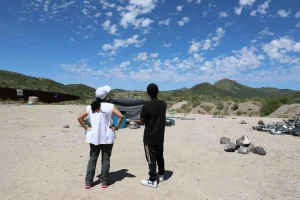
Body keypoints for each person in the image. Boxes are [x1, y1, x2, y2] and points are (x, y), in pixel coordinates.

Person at [77, 85, 124, 189]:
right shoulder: (110, 106)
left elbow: (80, 118)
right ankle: (104, 182)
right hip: (107, 137)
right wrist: (116, 127)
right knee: (106, 158)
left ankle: (88, 182)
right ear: (106, 96)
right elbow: (121, 116)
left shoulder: (90, 107)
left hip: (94, 137)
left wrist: (87, 128)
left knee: (93, 158)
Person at [140, 83, 167, 188]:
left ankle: (152, 180)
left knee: (151, 158)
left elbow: (141, 121)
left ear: (148, 93)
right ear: (158, 92)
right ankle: (161, 174)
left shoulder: (146, 106)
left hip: (149, 136)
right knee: (160, 155)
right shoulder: (163, 104)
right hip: (160, 136)